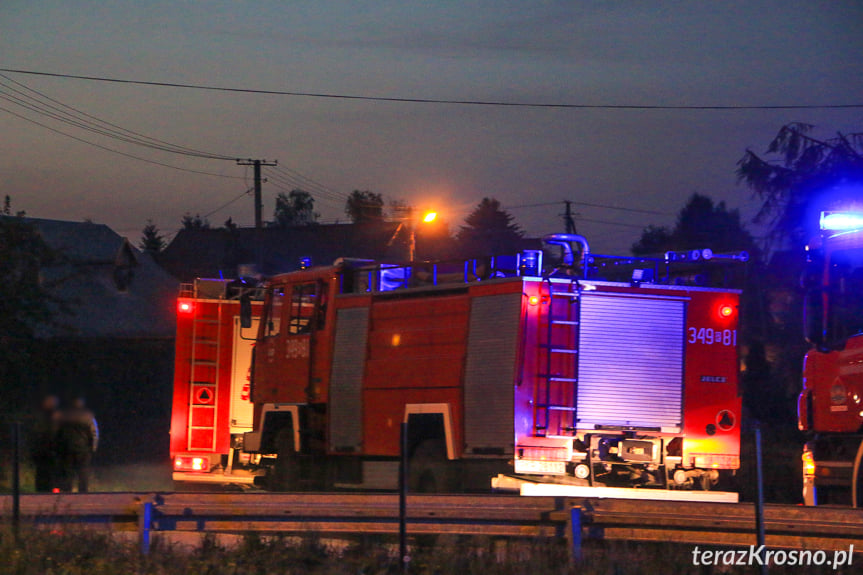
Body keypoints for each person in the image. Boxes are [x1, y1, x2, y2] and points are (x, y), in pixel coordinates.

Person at [56, 397, 99, 493]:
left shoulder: (65, 416)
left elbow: (59, 433)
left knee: (68, 472)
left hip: (68, 448)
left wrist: (59, 447)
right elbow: (94, 433)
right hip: (83, 448)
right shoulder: (88, 416)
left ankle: (67, 491)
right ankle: (83, 492)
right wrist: (93, 447)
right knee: (83, 471)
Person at [31, 395, 60, 492]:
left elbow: (35, 433)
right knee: (48, 471)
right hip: (49, 448)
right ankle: (48, 489)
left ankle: (42, 490)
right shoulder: (56, 417)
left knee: (43, 471)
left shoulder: (41, 417)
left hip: (43, 448)